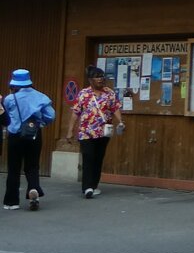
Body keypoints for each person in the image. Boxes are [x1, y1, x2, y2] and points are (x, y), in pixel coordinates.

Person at [3, 69, 55, 211]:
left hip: (15, 135)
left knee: (14, 168)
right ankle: (33, 189)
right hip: (34, 133)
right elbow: (51, 115)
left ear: (15, 83)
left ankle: (11, 202)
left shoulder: (9, 99)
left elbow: (7, 116)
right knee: (32, 166)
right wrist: (40, 122)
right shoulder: (41, 97)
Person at [67, 65, 124, 198]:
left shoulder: (109, 93)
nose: (101, 79)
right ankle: (87, 187)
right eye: (97, 77)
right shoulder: (83, 94)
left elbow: (115, 108)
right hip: (86, 132)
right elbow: (75, 113)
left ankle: (94, 185)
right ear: (90, 80)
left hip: (103, 132)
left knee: (98, 159)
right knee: (88, 157)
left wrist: (120, 121)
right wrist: (70, 130)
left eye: (102, 76)